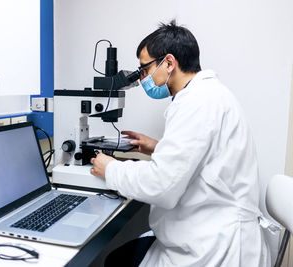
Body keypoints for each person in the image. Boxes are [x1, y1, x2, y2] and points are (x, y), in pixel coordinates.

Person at [90, 20, 271, 266]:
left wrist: (110, 168)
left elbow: (160, 186)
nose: (142, 78)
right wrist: (158, 147)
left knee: (116, 260)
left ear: (168, 62)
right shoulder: (206, 94)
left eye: (144, 69)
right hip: (206, 229)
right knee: (119, 257)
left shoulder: (197, 103)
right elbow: (204, 154)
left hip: (213, 247)